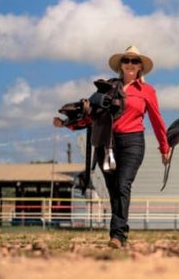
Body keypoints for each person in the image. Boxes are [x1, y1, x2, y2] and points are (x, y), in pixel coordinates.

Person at [54, 45, 170, 248]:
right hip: (106, 143)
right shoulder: (106, 88)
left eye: (135, 61)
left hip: (132, 142)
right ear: (121, 65)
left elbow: (157, 120)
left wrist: (164, 147)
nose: (130, 64)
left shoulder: (148, 91)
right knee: (113, 188)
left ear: (141, 66)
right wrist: (67, 124)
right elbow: (90, 114)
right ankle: (118, 232)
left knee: (123, 184)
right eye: (127, 61)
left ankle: (117, 235)